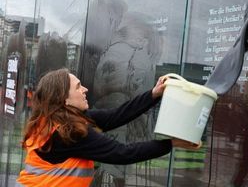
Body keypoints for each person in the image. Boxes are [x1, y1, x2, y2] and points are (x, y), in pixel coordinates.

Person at [16, 68, 201, 187]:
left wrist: (154, 94)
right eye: (78, 87)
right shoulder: (69, 132)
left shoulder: (57, 120)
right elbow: (123, 153)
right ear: (64, 99)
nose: (85, 89)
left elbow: (115, 116)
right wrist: (172, 143)